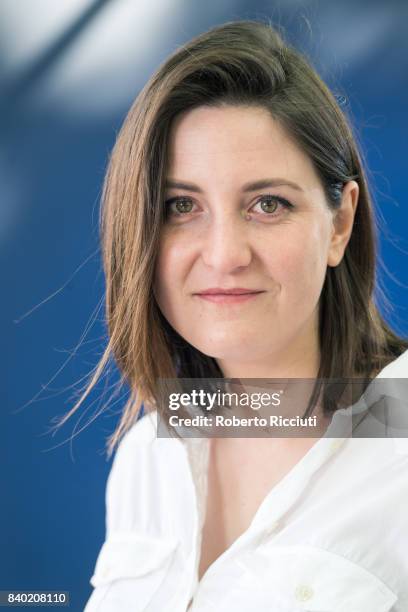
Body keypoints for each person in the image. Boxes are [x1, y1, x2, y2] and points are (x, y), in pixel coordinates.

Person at [76, 20, 408, 611]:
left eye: (268, 204)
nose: (226, 254)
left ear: (339, 223)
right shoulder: (148, 458)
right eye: (181, 206)